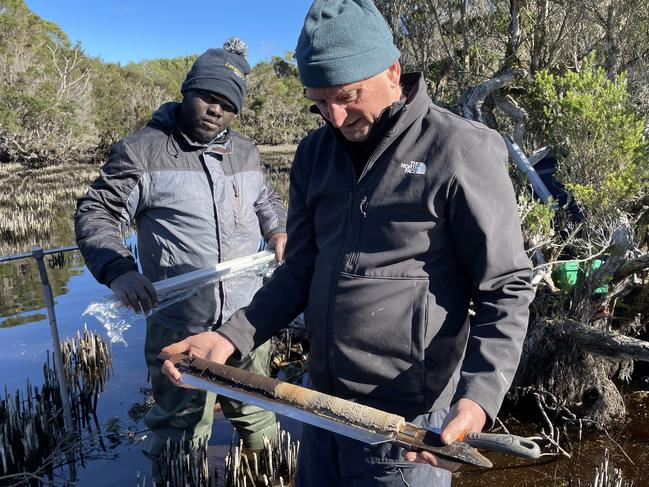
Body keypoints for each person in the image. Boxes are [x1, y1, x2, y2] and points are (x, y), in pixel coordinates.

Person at [161, 2, 535, 485]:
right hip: (322, 408)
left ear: (393, 70)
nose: (334, 118)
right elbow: (297, 272)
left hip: (406, 428)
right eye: (318, 102)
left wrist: (478, 399)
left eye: (348, 95)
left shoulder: (461, 149)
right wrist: (228, 337)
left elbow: (505, 287)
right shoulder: (314, 153)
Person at [75, 39, 287, 468]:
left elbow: (266, 201)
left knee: (257, 409)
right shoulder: (143, 150)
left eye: (227, 104)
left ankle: (271, 471)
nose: (215, 110)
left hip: (248, 316)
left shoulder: (245, 151)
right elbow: (97, 212)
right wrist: (118, 270)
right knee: (180, 426)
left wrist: (280, 228)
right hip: (179, 322)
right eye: (208, 96)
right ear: (187, 89)